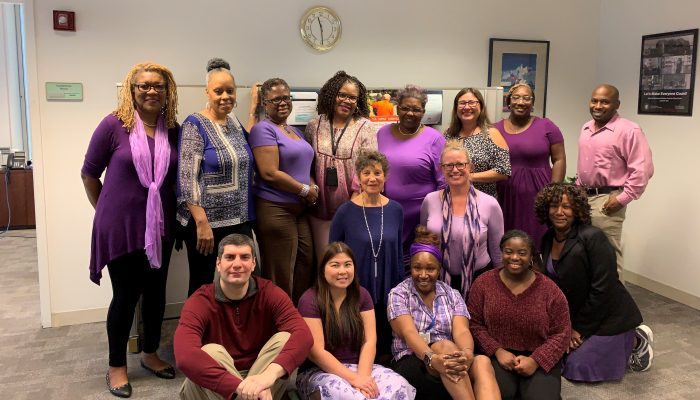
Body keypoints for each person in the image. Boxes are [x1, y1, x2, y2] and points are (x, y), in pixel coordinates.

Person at [81, 62, 180, 397]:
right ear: (132, 89)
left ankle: (150, 354)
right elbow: (89, 174)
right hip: (121, 228)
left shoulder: (173, 129)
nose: (151, 91)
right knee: (125, 297)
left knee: (156, 294)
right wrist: (107, 211)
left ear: (168, 92)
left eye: (158, 86)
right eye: (144, 86)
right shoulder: (113, 125)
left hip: (161, 229)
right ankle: (116, 366)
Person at [535, 183, 653, 381]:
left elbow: (604, 289)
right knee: (556, 358)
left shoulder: (593, 237)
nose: (559, 212)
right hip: (576, 313)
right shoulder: (548, 237)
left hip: (609, 315)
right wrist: (563, 326)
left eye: (567, 206)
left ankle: (636, 340)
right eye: (554, 206)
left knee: (577, 368)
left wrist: (578, 329)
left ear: (577, 209)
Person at [174, 234, 313, 400]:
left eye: (245, 257)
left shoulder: (270, 293)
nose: (237, 264)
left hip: (259, 375)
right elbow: (184, 355)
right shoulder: (199, 301)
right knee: (212, 352)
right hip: (216, 384)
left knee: (284, 339)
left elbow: (304, 336)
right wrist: (240, 388)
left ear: (253, 263)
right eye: (230, 257)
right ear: (218, 263)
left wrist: (267, 376)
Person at [388, 226, 500, 400]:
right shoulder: (399, 294)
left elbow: (462, 330)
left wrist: (467, 354)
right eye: (417, 268)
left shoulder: (451, 294)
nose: (423, 275)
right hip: (413, 359)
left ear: (439, 268)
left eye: (430, 269)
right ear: (411, 266)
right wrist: (432, 359)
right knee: (444, 346)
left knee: (481, 362)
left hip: (451, 356)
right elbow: (409, 333)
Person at [296, 242, 416, 400]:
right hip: (319, 371)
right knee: (347, 395)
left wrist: (363, 378)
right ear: (322, 269)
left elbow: (370, 342)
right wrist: (355, 380)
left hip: (361, 368)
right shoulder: (309, 300)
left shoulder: (362, 295)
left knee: (398, 386)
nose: (343, 271)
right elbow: (316, 352)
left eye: (347, 264)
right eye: (335, 265)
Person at [177, 58, 255, 296]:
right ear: (207, 92)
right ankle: (198, 332)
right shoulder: (194, 124)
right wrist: (201, 223)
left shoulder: (233, 121)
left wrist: (253, 107)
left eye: (230, 91)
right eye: (218, 91)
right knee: (202, 285)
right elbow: (187, 177)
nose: (225, 97)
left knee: (239, 283)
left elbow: (248, 143)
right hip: (207, 225)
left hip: (238, 220)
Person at [468, 230, 570, 400]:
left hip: (538, 356)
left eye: (522, 253)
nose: (514, 257)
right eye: (509, 252)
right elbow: (474, 323)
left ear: (531, 256)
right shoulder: (483, 284)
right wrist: (497, 351)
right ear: (501, 253)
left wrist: (536, 360)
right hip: (497, 357)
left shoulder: (550, 290)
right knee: (499, 394)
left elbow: (562, 332)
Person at [329, 150, 404, 359]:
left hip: (388, 288)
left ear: (385, 177)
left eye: (378, 173)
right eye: (366, 173)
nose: (372, 178)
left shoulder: (395, 210)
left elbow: (398, 252)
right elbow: (332, 256)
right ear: (358, 177)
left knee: (384, 346)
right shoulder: (345, 212)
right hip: (355, 288)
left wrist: (400, 289)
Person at [249, 77, 316, 304]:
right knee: (280, 272)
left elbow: (304, 164)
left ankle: (297, 317)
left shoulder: (293, 130)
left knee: (306, 262)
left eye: (286, 97)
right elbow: (269, 173)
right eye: (275, 99)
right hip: (275, 209)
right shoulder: (262, 129)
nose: (282, 102)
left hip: (299, 210)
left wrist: (312, 184)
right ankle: (278, 326)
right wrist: (305, 190)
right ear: (264, 103)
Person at [577, 84, 653, 279]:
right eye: (594, 100)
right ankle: (593, 305)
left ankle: (615, 306)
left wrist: (622, 198)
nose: (598, 106)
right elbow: (584, 167)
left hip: (607, 200)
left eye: (605, 102)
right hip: (584, 199)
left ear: (617, 104)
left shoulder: (629, 130)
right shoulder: (586, 128)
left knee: (608, 256)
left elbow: (643, 169)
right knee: (585, 253)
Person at [306, 71, 377, 262]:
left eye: (352, 97)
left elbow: (367, 168)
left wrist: (352, 208)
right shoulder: (314, 125)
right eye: (342, 95)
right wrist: (311, 187)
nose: (347, 101)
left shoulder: (366, 127)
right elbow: (307, 163)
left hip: (353, 207)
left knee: (348, 263)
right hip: (319, 209)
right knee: (325, 262)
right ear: (332, 95)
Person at [420, 140, 503, 299]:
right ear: (441, 169)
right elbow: (423, 242)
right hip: (437, 280)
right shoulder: (430, 201)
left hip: (479, 280)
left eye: (460, 164)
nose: (455, 170)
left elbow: (497, 252)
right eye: (448, 165)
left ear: (470, 167)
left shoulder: (490, 204)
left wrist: (501, 287)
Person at [377, 84, 446, 263]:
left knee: (418, 263)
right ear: (397, 109)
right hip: (388, 212)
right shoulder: (382, 133)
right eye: (405, 108)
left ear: (423, 112)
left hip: (421, 215)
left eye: (416, 109)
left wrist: (436, 216)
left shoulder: (434, 138)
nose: (410, 113)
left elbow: (443, 181)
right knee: (389, 260)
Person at [494, 83, 566, 250]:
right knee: (508, 241)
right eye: (516, 97)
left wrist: (553, 192)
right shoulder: (494, 129)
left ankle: (541, 275)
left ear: (533, 103)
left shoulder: (547, 126)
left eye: (527, 98)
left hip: (539, 195)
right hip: (505, 195)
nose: (521, 102)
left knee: (538, 242)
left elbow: (559, 159)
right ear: (508, 102)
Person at [444, 88, 511, 198]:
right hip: (453, 197)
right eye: (462, 103)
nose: (466, 107)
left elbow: (504, 171)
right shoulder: (448, 134)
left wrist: (468, 176)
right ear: (456, 108)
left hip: (482, 201)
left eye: (472, 102)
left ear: (481, 106)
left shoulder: (491, 134)